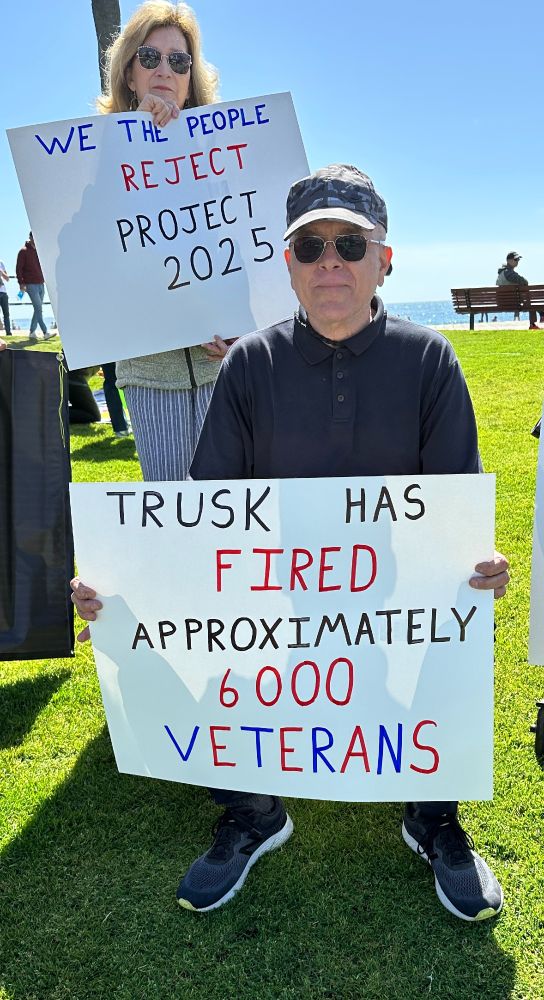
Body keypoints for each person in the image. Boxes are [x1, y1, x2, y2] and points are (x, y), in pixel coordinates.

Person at [72, 165, 510, 923]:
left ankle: (431, 813)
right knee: (218, 641)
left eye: (349, 242)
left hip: (397, 602)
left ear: (385, 259)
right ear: (288, 265)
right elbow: (203, 520)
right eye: (310, 246)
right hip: (271, 602)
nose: (329, 261)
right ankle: (255, 812)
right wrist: (119, 588)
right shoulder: (250, 363)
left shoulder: (430, 358)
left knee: (453, 625)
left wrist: (479, 566)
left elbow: (452, 516)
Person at [96, 1, 233, 479]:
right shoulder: (94, 156)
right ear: (129, 72)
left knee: (236, 515)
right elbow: (85, 247)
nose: (164, 70)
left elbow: (248, 250)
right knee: (175, 518)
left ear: (191, 77)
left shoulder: (226, 153)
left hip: (226, 372)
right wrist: (136, 137)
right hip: (152, 376)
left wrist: (243, 331)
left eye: (179, 61)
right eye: (150, 57)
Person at [16, 233, 53, 341]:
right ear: (31, 237)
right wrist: (21, 284)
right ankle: (45, 332)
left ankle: (32, 332)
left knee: (37, 309)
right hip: (30, 284)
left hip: (41, 283)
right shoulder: (23, 251)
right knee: (38, 308)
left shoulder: (39, 251)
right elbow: (19, 269)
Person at [496, 251, 541, 328]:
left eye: (518, 260)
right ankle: (534, 322)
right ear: (508, 261)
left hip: (502, 302)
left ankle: (540, 317)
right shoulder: (509, 273)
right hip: (512, 302)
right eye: (515, 259)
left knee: (528, 297)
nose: (517, 261)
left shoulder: (501, 273)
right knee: (530, 299)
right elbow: (524, 282)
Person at [0, 260, 12, 336]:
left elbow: (7, 279)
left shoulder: (1, 263)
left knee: (6, 314)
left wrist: (1, 272)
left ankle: (8, 333)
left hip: (3, 292)